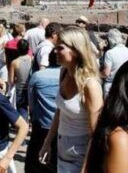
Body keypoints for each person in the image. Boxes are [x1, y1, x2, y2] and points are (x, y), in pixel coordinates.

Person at [39, 26, 104, 173]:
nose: (54, 51)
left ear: (76, 50)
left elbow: (96, 132)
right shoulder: (64, 73)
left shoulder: (90, 85)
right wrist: (47, 142)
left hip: (81, 153)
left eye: (60, 48)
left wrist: (85, 169)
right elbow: (60, 111)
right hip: (62, 147)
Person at [26, 51, 60, 173]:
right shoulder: (67, 76)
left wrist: (33, 116)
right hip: (60, 126)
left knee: (34, 162)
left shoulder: (37, 76)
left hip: (41, 122)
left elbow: (31, 102)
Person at [102, 28, 128, 95]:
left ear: (110, 40)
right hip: (126, 84)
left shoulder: (110, 53)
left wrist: (97, 75)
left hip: (112, 85)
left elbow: (106, 73)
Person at [8, 39, 33, 119]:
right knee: (32, 109)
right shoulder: (32, 59)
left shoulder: (14, 62)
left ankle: (24, 126)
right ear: (28, 49)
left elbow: (11, 81)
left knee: (22, 110)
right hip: (31, 89)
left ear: (17, 48)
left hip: (20, 90)